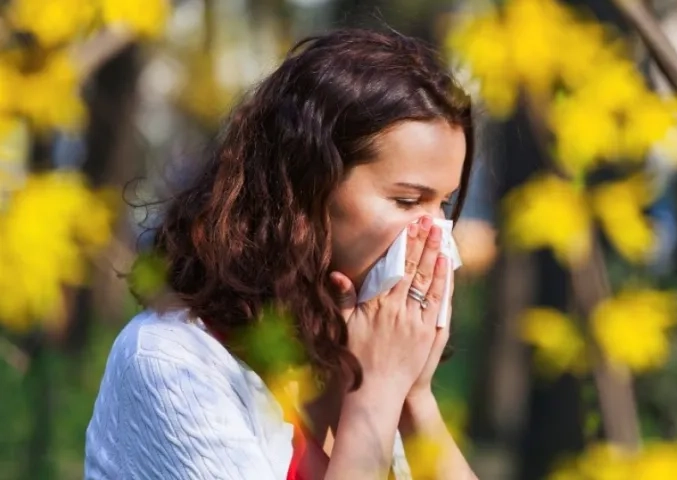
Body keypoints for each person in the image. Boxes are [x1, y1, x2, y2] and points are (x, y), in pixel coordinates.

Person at [85, 28, 478, 479]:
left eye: (444, 204)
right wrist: (378, 391)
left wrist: (414, 398)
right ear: (307, 188)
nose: (436, 235)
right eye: (407, 201)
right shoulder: (174, 362)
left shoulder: (358, 351)